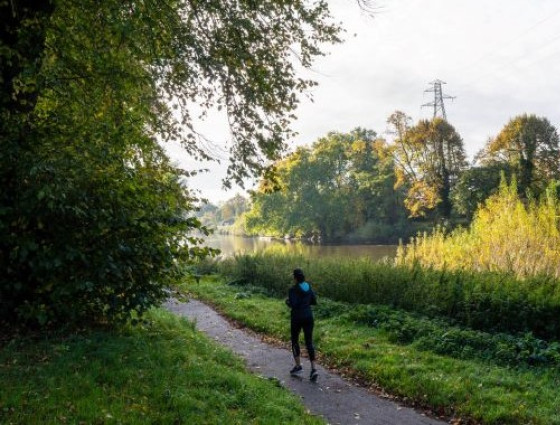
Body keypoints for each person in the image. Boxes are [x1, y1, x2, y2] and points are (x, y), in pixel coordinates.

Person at [285, 268, 318, 381]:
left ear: (295, 278)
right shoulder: (308, 287)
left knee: (295, 341)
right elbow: (314, 301)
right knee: (309, 342)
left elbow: (293, 304)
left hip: (297, 318)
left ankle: (298, 366)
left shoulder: (292, 289)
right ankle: (314, 369)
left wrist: (287, 302)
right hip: (309, 317)